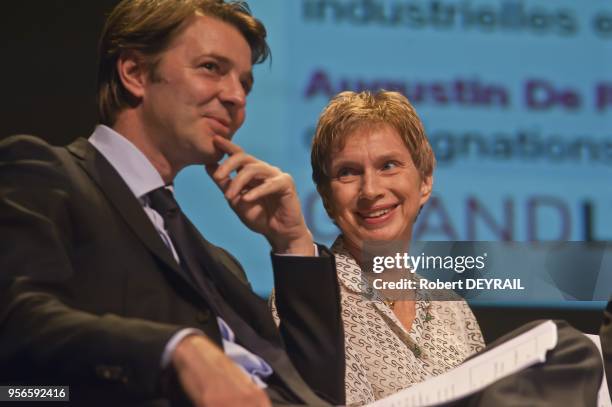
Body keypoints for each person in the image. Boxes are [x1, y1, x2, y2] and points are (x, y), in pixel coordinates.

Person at [0, 1, 344, 406]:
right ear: (135, 73)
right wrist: (176, 350)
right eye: (211, 68)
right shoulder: (45, 175)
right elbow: (15, 327)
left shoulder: (219, 265)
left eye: (245, 84)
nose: (236, 97)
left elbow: (317, 395)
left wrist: (292, 244)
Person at [271, 90, 484, 405]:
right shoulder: (308, 304)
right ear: (327, 199)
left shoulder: (453, 309)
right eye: (348, 172)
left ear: (424, 179)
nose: (370, 190)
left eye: (388, 165)